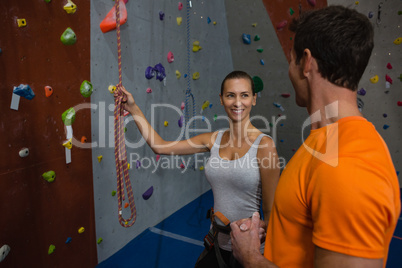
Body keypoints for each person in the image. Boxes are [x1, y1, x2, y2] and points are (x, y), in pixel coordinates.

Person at [230, 5, 401, 268]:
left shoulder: (349, 162)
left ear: (306, 62)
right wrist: (282, 227)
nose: (290, 70)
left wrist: (251, 258)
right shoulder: (325, 141)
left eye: (291, 59)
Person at [119, 71, 280, 267]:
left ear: (254, 99)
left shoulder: (264, 146)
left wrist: (263, 257)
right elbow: (160, 146)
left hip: (249, 250)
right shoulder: (214, 139)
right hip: (217, 243)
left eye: (244, 95)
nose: (238, 102)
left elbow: (271, 211)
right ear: (221, 99)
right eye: (230, 95)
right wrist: (134, 108)